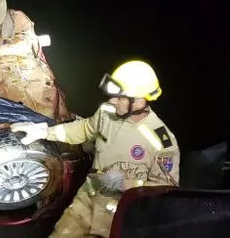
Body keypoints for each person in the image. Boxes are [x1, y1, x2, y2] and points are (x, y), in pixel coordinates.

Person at [10, 60, 180, 238]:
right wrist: (45, 131)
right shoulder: (106, 113)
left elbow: (166, 189)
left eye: (120, 97)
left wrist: (128, 184)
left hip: (119, 214)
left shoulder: (161, 141)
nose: (112, 101)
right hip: (87, 198)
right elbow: (83, 129)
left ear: (138, 101)